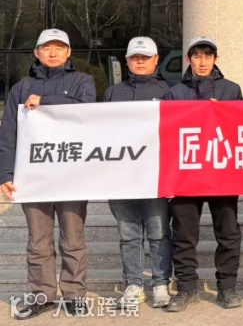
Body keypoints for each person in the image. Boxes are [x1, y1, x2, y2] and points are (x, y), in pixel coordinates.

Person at [0, 29, 96, 320]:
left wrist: (45, 101)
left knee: (73, 239)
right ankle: (41, 296)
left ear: (68, 52)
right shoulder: (21, 88)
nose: (53, 53)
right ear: (36, 53)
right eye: (46, 48)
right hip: (34, 176)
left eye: (59, 47)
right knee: (38, 241)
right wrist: (6, 173)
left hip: (71, 176)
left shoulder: (83, 81)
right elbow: (8, 134)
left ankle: (74, 296)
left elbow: (88, 112)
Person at [163, 36, 243, 312]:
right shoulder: (174, 92)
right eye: (197, 56)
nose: (202, 61)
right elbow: (166, 132)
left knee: (228, 232)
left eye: (208, 56)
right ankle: (186, 289)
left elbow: (242, 128)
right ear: (188, 59)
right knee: (184, 234)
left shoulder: (232, 89)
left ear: (215, 59)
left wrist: (221, 114)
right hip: (185, 173)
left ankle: (227, 287)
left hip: (222, 172)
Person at [104, 37, 173, 310]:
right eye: (135, 57)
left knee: (158, 233)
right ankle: (133, 283)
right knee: (128, 235)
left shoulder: (170, 92)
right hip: (120, 176)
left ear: (156, 60)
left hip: (156, 176)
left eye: (145, 57)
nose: (140, 61)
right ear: (127, 61)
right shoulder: (112, 93)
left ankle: (160, 283)